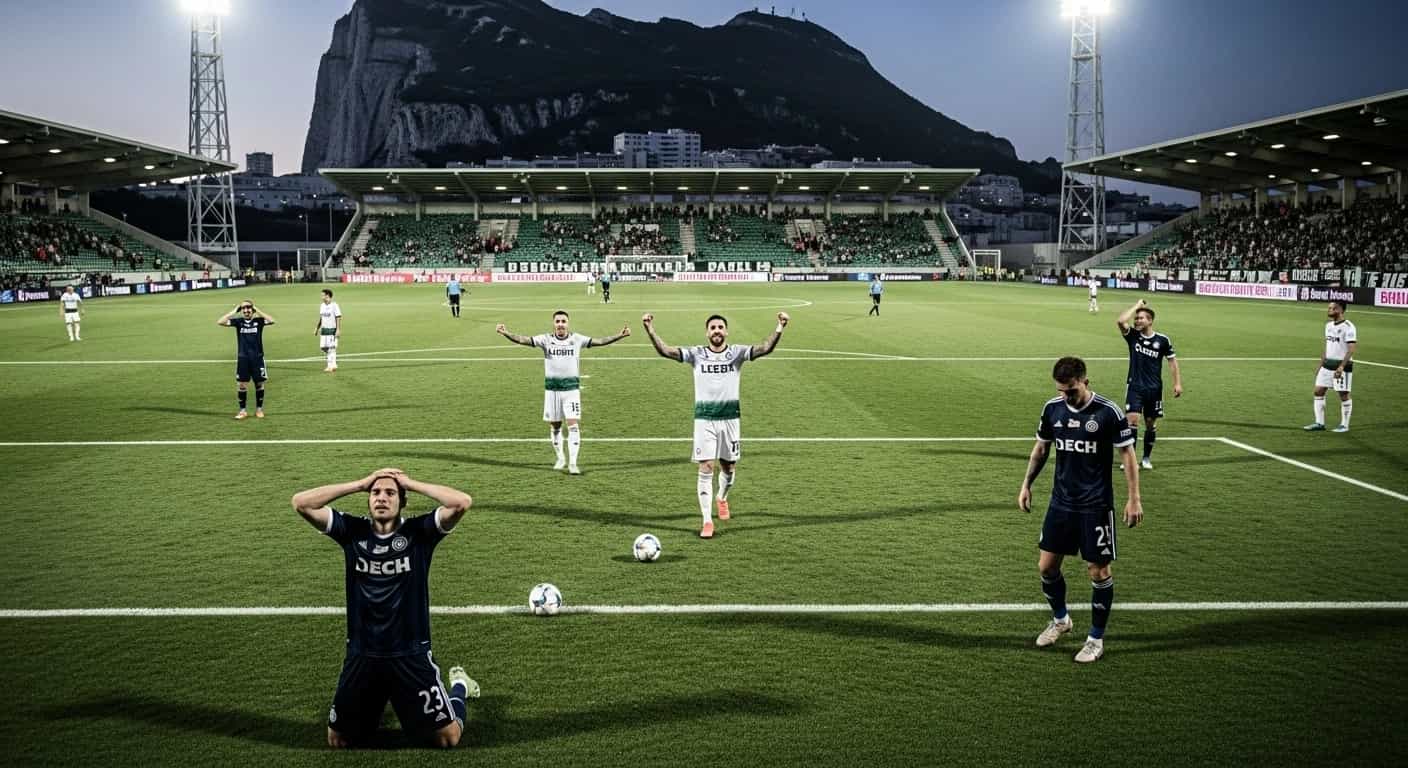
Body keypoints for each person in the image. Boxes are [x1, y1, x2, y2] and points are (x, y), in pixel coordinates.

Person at [291, 468, 478, 749]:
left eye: (390, 493)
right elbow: (301, 502)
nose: (381, 498)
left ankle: (460, 686)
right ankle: (376, 703)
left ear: (402, 501)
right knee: (339, 740)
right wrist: (359, 483)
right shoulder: (352, 530)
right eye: (375, 493)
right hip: (362, 654)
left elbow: (461, 502)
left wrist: (410, 483)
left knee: (447, 738)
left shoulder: (419, 533)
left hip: (410, 654)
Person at [1018, 356, 1142, 664]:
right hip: (1061, 502)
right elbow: (1041, 448)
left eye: (1071, 390)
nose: (1065, 396)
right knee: (1046, 567)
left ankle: (1095, 639)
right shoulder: (1052, 409)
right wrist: (1026, 484)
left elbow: (1127, 455)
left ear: (1085, 382)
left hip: (1095, 506)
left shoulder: (1108, 412)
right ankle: (1061, 620)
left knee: (1098, 571)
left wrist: (1134, 498)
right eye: (1061, 390)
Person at [642, 311, 790, 538]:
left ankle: (721, 497)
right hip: (704, 419)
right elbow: (666, 351)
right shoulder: (697, 354)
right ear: (707, 333)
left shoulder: (737, 353)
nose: (717, 330)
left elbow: (764, 349)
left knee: (728, 467)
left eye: (720, 327)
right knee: (706, 467)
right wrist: (650, 329)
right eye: (713, 328)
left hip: (730, 418)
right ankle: (707, 520)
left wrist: (780, 326)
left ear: (726, 331)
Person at [496, 312, 631, 474]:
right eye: (558, 321)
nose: (560, 324)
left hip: (571, 390)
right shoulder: (545, 339)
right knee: (555, 427)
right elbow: (523, 340)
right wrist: (506, 333)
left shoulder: (577, 339)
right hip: (552, 390)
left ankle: (573, 463)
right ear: (554, 323)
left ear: (568, 323)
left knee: (573, 426)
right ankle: (560, 458)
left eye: (563, 321)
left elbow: (600, 341)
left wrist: (619, 335)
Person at [1115, 299, 1182, 469]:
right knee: (1133, 421)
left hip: (1154, 389)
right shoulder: (1132, 337)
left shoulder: (1163, 340)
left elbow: (1172, 362)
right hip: (1135, 386)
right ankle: (1130, 460)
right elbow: (1121, 321)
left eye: (1141, 318)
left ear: (1150, 321)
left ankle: (1146, 458)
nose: (1137, 321)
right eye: (1136, 318)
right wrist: (1137, 306)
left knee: (1151, 424)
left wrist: (1177, 384)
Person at [217, 300, 276, 419]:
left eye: (249, 308)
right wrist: (234, 311)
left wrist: (257, 309)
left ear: (252, 310)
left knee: (259, 384)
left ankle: (259, 410)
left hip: (257, 358)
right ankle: (242, 411)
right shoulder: (238, 322)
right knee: (242, 385)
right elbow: (220, 321)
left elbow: (272, 320)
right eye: (243, 308)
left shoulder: (258, 321)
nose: (246, 310)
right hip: (243, 358)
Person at [1304, 300, 1356, 433]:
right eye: (1329, 308)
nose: (1329, 310)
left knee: (1343, 395)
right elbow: (1328, 347)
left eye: (1332, 308)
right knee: (1318, 391)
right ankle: (1319, 423)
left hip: (1341, 366)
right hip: (1327, 365)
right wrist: (1320, 364)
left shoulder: (1349, 327)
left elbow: (1351, 349)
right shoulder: (1328, 326)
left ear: (1340, 310)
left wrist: (1341, 367)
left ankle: (1344, 425)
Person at [316, 289, 343, 373]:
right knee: (323, 347)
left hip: (332, 330)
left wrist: (338, 329)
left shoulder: (334, 305)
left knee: (331, 348)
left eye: (323, 295)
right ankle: (333, 362)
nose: (321, 297)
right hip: (324, 330)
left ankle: (331, 366)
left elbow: (338, 317)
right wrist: (317, 328)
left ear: (327, 296)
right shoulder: (322, 305)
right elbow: (321, 318)